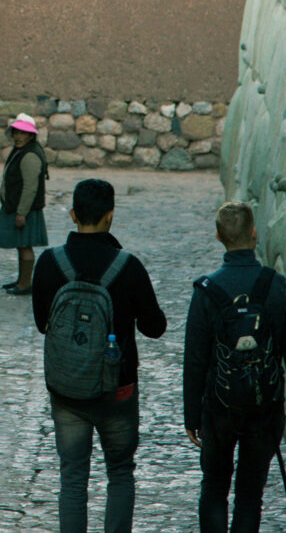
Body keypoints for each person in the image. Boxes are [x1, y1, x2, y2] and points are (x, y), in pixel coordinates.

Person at [33, 178, 167, 533]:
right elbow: (155, 327)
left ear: (74, 214)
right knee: (120, 472)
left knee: (73, 477)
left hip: (67, 391)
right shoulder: (129, 266)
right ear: (111, 216)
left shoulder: (49, 263)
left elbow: (41, 324)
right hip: (118, 389)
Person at [183, 201, 286, 533]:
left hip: (218, 406)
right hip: (264, 407)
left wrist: (191, 416)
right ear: (254, 234)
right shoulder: (278, 287)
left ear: (217, 236)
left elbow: (195, 359)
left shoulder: (206, 292)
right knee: (249, 495)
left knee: (214, 486)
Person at [0, 114, 48, 295]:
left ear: (31, 136)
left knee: (25, 245)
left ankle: (25, 284)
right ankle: (21, 280)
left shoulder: (30, 155)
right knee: (21, 245)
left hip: (25, 209)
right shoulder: (22, 151)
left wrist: (22, 213)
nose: (18, 136)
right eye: (16, 132)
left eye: (23, 133)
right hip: (19, 207)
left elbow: (30, 188)